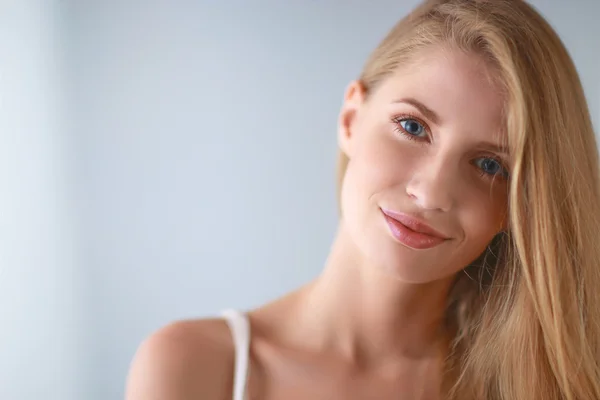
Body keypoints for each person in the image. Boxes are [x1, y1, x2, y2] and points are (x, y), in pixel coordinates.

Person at [125, 0, 600, 399]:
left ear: (522, 208)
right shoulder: (197, 366)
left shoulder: (542, 385)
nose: (431, 192)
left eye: (490, 165)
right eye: (413, 127)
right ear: (351, 117)